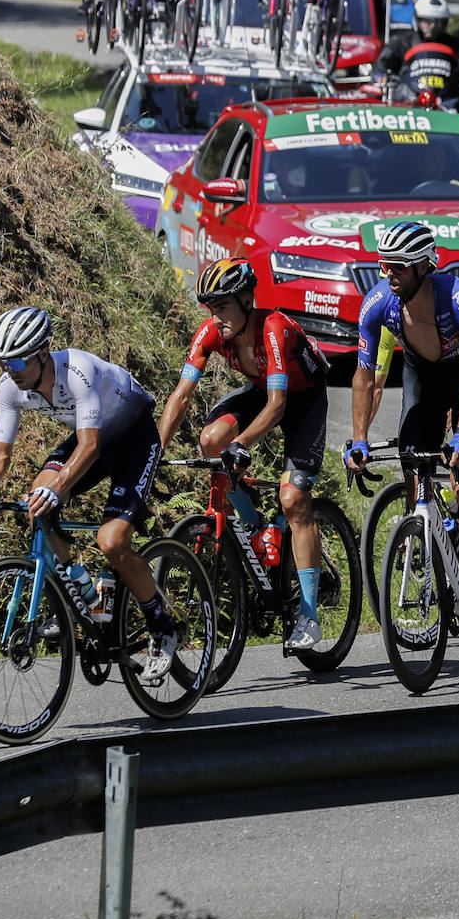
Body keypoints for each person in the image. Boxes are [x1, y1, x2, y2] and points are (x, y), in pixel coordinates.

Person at [0, 306, 173, 680]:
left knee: (111, 541)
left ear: (43, 351)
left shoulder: (78, 371)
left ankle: (162, 626)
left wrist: (59, 488)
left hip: (133, 437)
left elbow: (90, 446)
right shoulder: (11, 388)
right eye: (2, 364)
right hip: (90, 439)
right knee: (38, 500)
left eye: (16, 363)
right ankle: (82, 590)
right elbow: (0, 454)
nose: (9, 372)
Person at [158, 257, 329, 650]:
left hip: (301, 401)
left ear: (247, 299)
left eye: (223, 307)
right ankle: (253, 523)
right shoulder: (211, 333)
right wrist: (155, 452)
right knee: (211, 440)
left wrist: (242, 445)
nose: (215, 317)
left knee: (293, 500)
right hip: (263, 391)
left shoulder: (273, 330)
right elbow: (182, 395)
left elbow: (278, 406)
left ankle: (309, 615)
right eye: (210, 308)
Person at [344, 221, 459, 623]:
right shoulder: (378, 303)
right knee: (413, 460)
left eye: (398, 266)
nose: (390, 275)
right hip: (423, 377)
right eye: (384, 266)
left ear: (422, 266)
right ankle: (435, 535)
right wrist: (359, 439)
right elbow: (363, 377)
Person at [372, 0, 459, 109]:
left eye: (437, 22)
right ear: (418, 19)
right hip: (410, 99)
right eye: (426, 21)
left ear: (444, 22)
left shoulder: (455, 44)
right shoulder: (403, 41)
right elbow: (384, 60)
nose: (432, 26)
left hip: (447, 101)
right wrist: (380, 74)